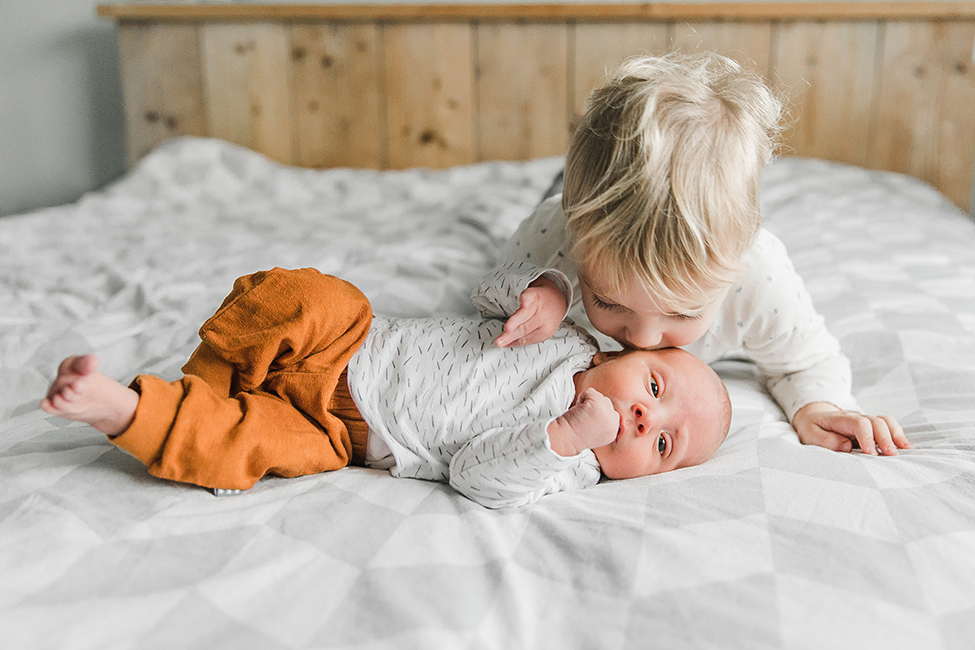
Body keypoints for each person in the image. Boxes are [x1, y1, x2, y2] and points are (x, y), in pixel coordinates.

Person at [490, 51, 913, 457]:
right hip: (561, 206)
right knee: (560, 194)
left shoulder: (756, 277)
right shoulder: (553, 240)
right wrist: (535, 293)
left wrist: (818, 407)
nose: (641, 339)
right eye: (606, 301)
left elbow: (806, 361)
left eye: (682, 312)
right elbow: (488, 307)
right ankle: (564, 177)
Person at [40, 264, 732, 509]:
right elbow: (485, 292)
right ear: (623, 348)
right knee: (309, 293)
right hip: (354, 339)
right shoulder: (570, 329)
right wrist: (539, 290)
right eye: (655, 383)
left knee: (244, 446)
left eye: (665, 442)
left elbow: (476, 479)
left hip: (340, 436)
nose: (646, 416)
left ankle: (125, 410)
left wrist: (564, 437)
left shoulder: (569, 466)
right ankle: (208, 379)